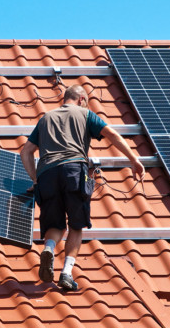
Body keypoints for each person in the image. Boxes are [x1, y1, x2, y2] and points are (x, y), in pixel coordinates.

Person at [20, 84, 145, 291]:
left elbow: (26, 152)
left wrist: (35, 181)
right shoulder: (85, 114)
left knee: (55, 224)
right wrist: (133, 159)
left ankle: (49, 248)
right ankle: (67, 273)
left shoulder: (45, 119)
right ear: (81, 100)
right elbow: (112, 135)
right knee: (76, 225)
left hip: (47, 174)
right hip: (74, 171)